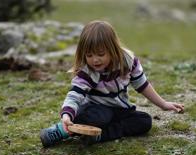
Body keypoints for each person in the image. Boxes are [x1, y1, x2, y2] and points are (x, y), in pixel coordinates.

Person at [40, 20, 184, 147]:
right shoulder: (88, 71)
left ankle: (99, 136)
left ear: (113, 49)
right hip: (94, 111)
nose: (95, 60)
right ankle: (63, 129)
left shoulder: (127, 61)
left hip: (119, 109)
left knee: (144, 121)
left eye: (100, 54)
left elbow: (142, 84)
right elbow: (74, 95)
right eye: (89, 55)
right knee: (100, 117)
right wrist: (66, 115)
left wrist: (163, 104)